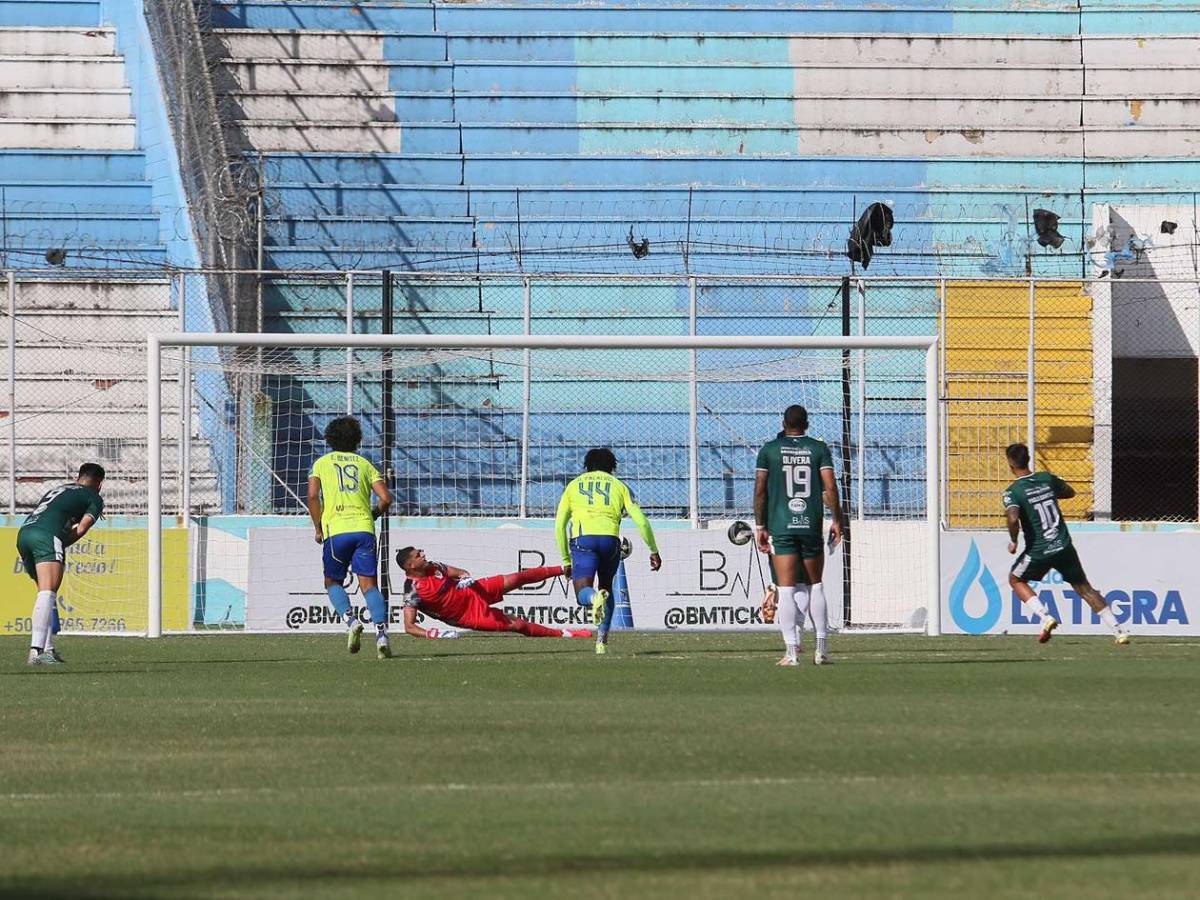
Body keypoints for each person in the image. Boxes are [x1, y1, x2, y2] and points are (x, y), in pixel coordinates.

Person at [1003, 442, 1130, 645]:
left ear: (1010, 465)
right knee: (1084, 588)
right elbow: (1070, 492)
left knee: (1015, 579)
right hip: (1063, 546)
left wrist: (1013, 541)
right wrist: (1048, 493)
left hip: (1040, 550)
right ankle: (1119, 631)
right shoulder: (1046, 479)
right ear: (1028, 459)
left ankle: (1046, 617)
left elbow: (1012, 518)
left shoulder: (1013, 492)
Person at [754, 405, 843, 667]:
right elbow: (830, 485)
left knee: (786, 588)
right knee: (815, 585)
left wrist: (760, 526)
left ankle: (792, 653)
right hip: (810, 524)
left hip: (781, 526)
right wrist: (837, 519)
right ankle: (821, 650)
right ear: (807, 423)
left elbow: (760, 490)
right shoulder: (818, 448)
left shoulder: (769, 450)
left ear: (784, 423)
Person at [555, 448, 661, 655]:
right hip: (611, 542)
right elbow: (641, 521)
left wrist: (565, 560)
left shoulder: (573, 486)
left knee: (583, 593)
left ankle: (594, 599)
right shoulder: (620, 486)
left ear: (587, 466)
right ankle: (601, 642)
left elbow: (559, 525)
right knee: (606, 588)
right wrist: (653, 550)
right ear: (612, 467)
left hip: (583, 541)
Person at [307, 416, 393, 658]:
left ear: (329, 439)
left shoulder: (321, 463)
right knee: (369, 586)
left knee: (332, 582)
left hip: (336, 530)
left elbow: (313, 496)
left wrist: (318, 527)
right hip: (364, 529)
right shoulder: (365, 464)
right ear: (357, 439)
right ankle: (381, 635)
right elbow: (386, 499)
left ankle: (351, 621)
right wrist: (374, 514)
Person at [396, 546, 591, 639]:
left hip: (472, 591)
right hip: (468, 615)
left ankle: (563, 569)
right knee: (518, 624)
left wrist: (465, 578)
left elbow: (461, 572)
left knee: (516, 578)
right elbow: (409, 626)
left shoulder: (432, 565)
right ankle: (565, 634)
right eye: (417, 554)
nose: (423, 553)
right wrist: (435, 633)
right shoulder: (412, 591)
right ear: (411, 565)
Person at [18, 463, 106, 665]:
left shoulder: (58, 489)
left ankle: (47, 649)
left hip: (24, 533)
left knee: (44, 593)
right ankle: (36, 652)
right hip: (46, 536)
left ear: (78, 477)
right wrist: (58, 542)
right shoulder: (94, 497)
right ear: (99, 484)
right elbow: (82, 528)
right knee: (48, 592)